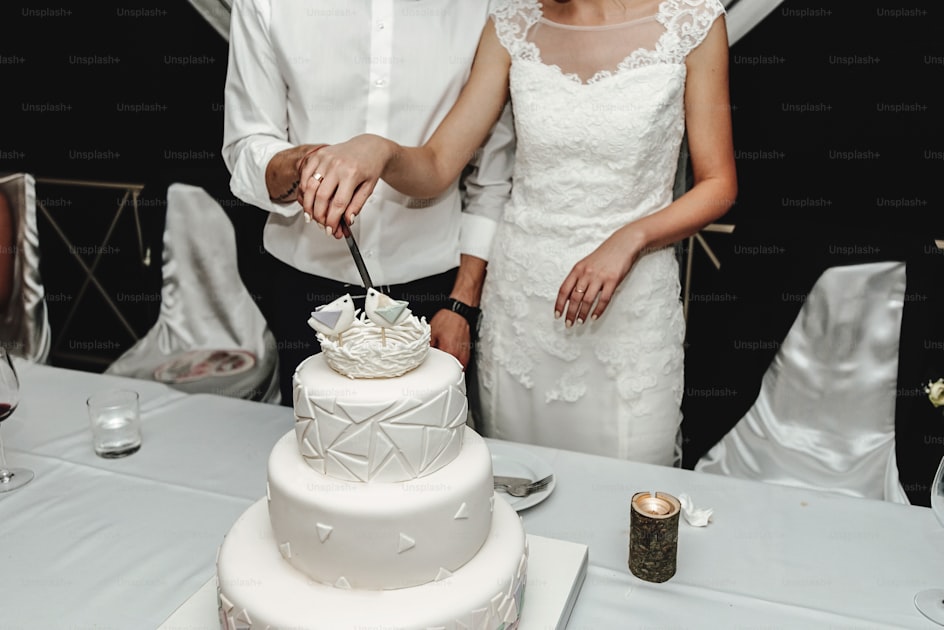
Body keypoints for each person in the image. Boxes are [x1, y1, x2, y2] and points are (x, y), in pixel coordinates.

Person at [298, 0, 737, 466]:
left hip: (631, 311)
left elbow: (718, 184)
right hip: (522, 310)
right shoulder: (511, 25)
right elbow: (436, 165)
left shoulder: (694, 22)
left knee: (627, 489)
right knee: (520, 489)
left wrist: (631, 238)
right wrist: (379, 151)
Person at [221, 0, 516, 407]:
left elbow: (493, 178)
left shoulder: (485, 7)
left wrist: (462, 304)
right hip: (306, 286)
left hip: (437, 292)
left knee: (428, 456)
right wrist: (307, 166)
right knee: (317, 458)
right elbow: (245, 144)